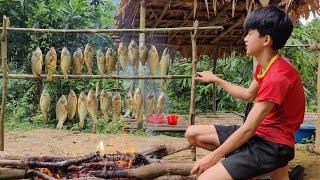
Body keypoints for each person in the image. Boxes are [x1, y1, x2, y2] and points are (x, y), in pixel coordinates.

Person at [187, 6, 305, 180]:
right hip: (259, 135)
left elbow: (249, 128)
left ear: (266, 40)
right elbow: (249, 95)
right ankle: (247, 167)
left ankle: (248, 167)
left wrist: (212, 158)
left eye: (250, 33)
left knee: (205, 178)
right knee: (192, 133)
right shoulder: (265, 66)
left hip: (273, 145)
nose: (245, 38)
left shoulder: (277, 76)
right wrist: (216, 79)